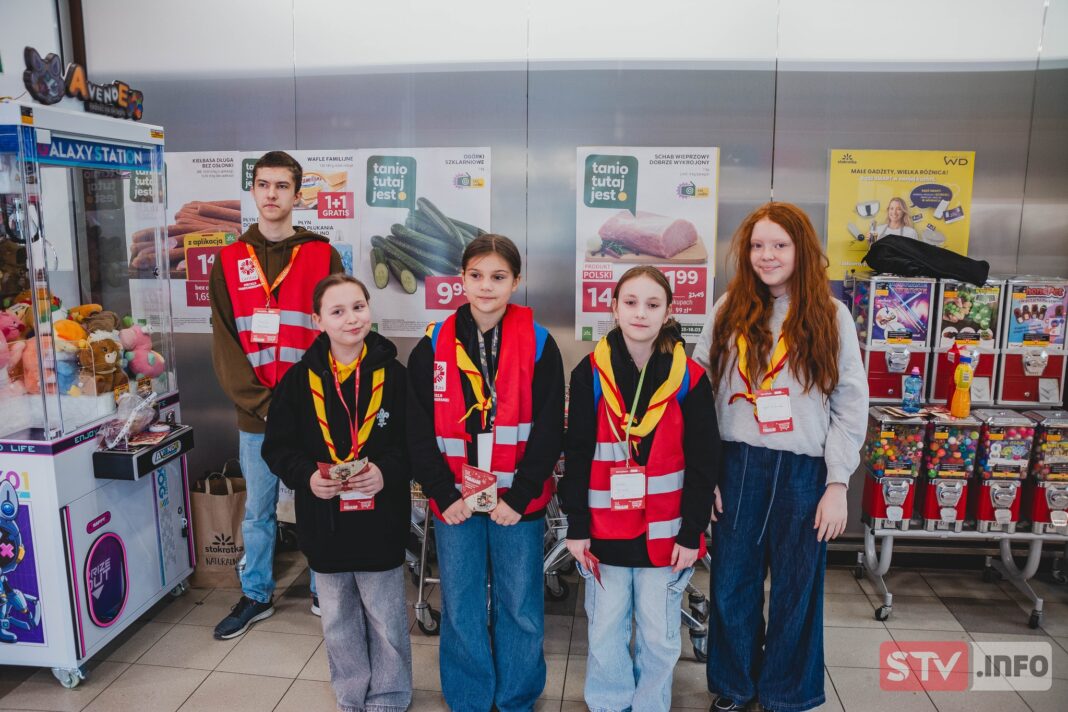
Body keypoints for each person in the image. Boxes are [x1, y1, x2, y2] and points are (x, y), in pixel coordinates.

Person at [695, 202, 868, 712]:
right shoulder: (729, 308)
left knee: (797, 589)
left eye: (779, 245)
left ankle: (786, 692)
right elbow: (697, 393)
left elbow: (850, 403)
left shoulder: (830, 316)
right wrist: (706, 475)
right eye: (757, 245)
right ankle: (735, 684)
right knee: (731, 585)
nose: (766, 255)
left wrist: (837, 484)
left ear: (802, 251)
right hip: (738, 464)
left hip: (802, 471)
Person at [407, 234, 564, 712]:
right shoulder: (433, 344)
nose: (486, 286)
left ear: (517, 281)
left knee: (520, 603)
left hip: (518, 502)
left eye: (498, 277)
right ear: (461, 278)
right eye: (476, 276)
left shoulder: (539, 342)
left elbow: (548, 428)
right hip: (455, 500)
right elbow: (415, 429)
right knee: (461, 602)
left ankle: (516, 697)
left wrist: (519, 497)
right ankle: (470, 697)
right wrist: (440, 491)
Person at [560, 266, 719, 712]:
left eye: (653, 304)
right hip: (603, 531)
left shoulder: (689, 379)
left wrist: (692, 533)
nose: (640, 313)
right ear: (613, 307)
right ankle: (609, 703)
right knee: (606, 628)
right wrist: (576, 526)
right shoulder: (589, 373)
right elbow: (576, 455)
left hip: (665, 537)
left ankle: (651, 704)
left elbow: (705, 464)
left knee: (658, 632)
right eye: (630, 302)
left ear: (670, 311)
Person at [262, 274, 412, 712]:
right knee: (339, 619)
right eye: (338, 311)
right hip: (324, 522)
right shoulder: (297, 381)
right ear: (318, 320)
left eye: (359, 307)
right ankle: (351, 693)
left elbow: (415, 446)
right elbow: (278, 447)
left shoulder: (396, 377)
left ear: (370, 310)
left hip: (380, 521)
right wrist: (306, 475)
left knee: (386, 619)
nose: (352, 318)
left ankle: (389, 695)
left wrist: (385, 472)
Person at [209, 151, 343, 639]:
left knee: (318, 502)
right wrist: (264, 406)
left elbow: (337, 332)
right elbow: (225, 343)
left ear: (297, 194)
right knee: (259, 511)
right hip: (256, 414)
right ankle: (257, 594)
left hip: (314, 412)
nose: (271, 195)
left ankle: (321, 587)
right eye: (263, 185)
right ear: (253, 191)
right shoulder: (228, 260)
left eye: (281, 186)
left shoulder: (322, 254)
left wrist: (313, 404)